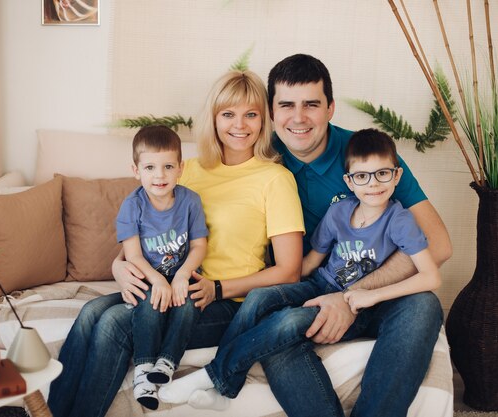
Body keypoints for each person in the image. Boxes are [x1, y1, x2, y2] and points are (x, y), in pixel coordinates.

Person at [47, 69, 305, 417]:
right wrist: (119, 267)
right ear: (213, 118)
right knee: (92, 312)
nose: (239, 124)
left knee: (114, 325)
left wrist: (217, 287)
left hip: (222, 301)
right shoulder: (187, 169)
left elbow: (289, 271)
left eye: (251, 114)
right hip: (167, 284)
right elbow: (140, 232)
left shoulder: (275, 178)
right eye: (228, 113)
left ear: (264, 120)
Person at [157, 128, 442, 408]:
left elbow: (431, 276)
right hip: (321, 284)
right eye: (362, 176)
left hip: (363, 304)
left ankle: (215, 374)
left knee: (289, 322)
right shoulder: (340, 211)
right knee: (260, 297)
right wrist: (281, 283)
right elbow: (309, 263)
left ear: (397, 175)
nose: (374, 184)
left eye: (383, 174)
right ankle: (226, 385)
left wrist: (371, 295)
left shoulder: (399, 221)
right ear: (349, 181)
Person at [115, 125, 208, 409]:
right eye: (150, 167)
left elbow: (199, 246)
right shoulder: (132, 206)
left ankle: (167, 361)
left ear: (180, 168)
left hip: (182, 273)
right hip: (148, 275)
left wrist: (181, 275)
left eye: (168, 166)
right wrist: (157, 280)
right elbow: (133, 256)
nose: (160, 175)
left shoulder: (190, 201)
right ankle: (144, 371)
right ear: (136, 170)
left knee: (190, 302)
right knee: (149, 303)